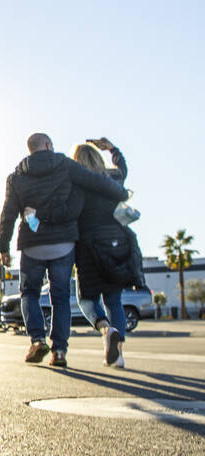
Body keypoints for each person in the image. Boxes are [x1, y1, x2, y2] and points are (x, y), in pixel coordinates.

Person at [0, 133, 126, 367]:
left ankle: (36, 339)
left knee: (30, 294)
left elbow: (8, 214)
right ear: (47, 145)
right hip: (64, 244)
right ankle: (60, 352)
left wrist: (2, 246)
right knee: (60, 298)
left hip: (32, 245)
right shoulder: (65, 165)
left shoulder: (15, 177)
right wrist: (120, 192)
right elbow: (96, 181)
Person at [67, 138, 138, 367]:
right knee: (114, 299)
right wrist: (112, 149)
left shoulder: (76, 183)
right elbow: (122, 169)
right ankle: (117, 352)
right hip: (117, 242)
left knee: (86, 298)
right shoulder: (113, 179)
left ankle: (106, 329)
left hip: (88, 245)